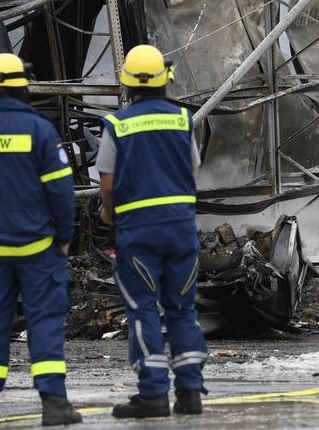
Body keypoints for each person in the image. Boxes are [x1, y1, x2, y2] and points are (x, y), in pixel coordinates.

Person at [0, 53, 81, 428]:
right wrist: (64, 237)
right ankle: (54, 405)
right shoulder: (40, 131)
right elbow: (60, 192)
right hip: (39, 248)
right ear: (24, 86)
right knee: (45, 321)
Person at [98, 44, 207, 419]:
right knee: (182, 309)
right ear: (165, 80)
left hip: (138, 234)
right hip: (180, 230)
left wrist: (108, 215)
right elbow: (193, 173)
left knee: (143, 309)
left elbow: (108, 183)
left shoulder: (117, 125)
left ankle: (153, 395)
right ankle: (190, 393)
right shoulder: (182, 119)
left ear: (128, 84)